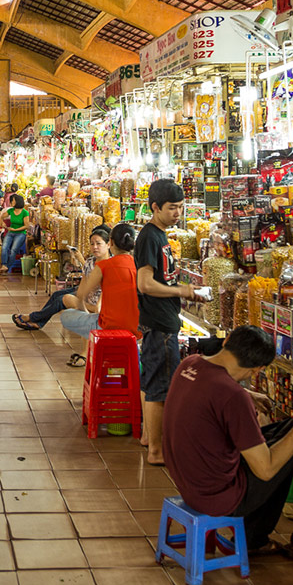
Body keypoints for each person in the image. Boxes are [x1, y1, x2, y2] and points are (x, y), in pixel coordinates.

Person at [164, 325, 293, 554]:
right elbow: (265, 471)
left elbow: (212, 387)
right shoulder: (233, 397)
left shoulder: (191, 363)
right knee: (290, 449)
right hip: (219, 496)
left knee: (284, 431)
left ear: (227, 341)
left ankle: (254, 538)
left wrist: (249, 394)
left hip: (187, 479)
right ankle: (254, 541)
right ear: (258, 369)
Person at [136, 178, 203, 466]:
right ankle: (156, 452)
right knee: (160, 388)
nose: (177, 213)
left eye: (180, 207)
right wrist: (182, 291)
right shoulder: (150, 237)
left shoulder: (161, 235)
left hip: (163, 319)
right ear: (155, 207)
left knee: (153, 380)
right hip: (159, 321)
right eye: (172, 208)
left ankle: (147, 438)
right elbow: (145, 284)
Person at [57, 223, 140, 367]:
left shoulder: (104, 266)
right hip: (137, 329)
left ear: (111, 243)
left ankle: (90, 351)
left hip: (109, 326)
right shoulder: (140, 265)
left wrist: (84, 309)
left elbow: (82, 294)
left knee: (66, 316)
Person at [13, 226, 111, 330]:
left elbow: (103, 294)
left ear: (108, 244)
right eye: (92, 244)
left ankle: (32, 317)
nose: (95, 247)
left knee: (61, 300)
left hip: (96, 301)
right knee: (56, 294)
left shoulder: (110, 265)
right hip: (87, 294)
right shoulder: (91, 261)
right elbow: (84, 284)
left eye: (98, 243)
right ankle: (39, 322)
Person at [0, 193, 31, 275]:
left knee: (13, 250)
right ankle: (4, 265)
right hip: (11, 232)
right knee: (4, 247)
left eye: (13, 201)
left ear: (18, 202)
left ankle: (7, 267)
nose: (11, 202)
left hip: (21, 233)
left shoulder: (25, 212)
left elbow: (26, 226)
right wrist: (2, 223)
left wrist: (16, 229)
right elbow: (1, 216)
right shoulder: (11, 210)